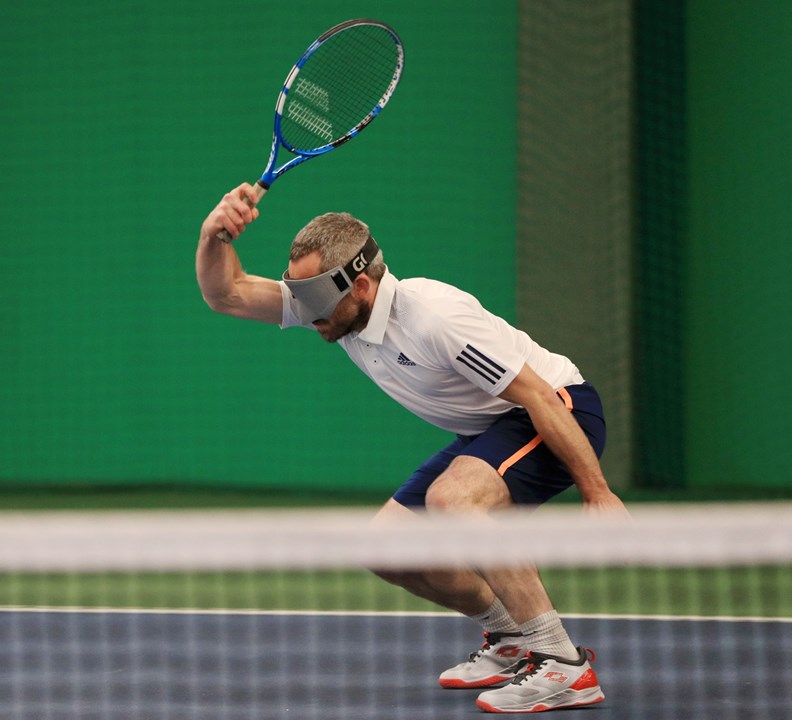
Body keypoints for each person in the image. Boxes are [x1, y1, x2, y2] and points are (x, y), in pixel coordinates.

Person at [195, 184, 630, 714]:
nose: (308, 316)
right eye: (299, 297)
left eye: (314, 302)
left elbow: (539, 395)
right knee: (387, 549)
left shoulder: (434, 317)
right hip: (491, 430)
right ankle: (511, 637)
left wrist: (598, 491)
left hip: (558, 410)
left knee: (453, 501)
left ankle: (565, 665)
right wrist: (213, 236)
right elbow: (228, 293)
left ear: (360, 286)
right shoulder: (331, 304)